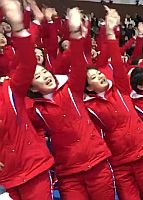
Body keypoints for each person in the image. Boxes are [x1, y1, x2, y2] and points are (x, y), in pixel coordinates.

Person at [26, 7, 114, 200]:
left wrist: (75, 32)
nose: (45, 76)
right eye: (38, 77)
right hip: (68, 171)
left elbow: (78, 61)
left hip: (97, 162)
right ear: (32, 88)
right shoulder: (35, 110)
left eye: (45, 72)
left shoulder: (71, 89)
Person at [84, 6, 143, 200]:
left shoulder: (121, 88)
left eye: (99, 73)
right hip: (119, 161)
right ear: (89, 88)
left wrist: (111, 32)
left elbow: (117, 62)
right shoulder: (88, 107)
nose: (100, 75)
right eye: (93, 77)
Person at [0, 0, 54, 199]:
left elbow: (28, 61)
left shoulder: (9, 88)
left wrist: (18, 25)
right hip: (9, 174)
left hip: (33, 168)